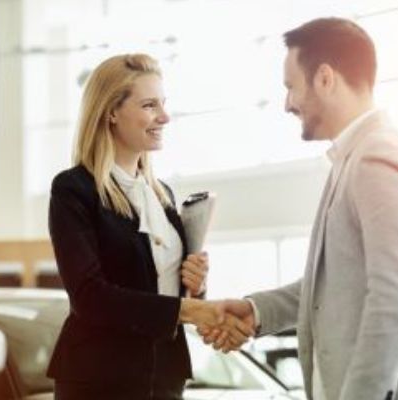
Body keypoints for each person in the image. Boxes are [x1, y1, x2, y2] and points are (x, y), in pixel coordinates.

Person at [198, 18, 398, 400]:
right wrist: (256, 310)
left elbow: (395, 300)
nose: (287, 103)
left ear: (325, 78)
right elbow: (338, 286)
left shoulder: (378, 158)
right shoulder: (354, 158)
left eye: (291, 87)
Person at [47, 53, 250, 400]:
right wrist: (189, 309)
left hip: (165, 376)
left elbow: (168, 292)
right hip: (100, 381)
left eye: (163, 104)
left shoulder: (162, 196)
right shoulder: (74, 190)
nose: (164, 117)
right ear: (111, 112)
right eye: (149, 105)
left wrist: (194, 286)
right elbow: (89, 297)